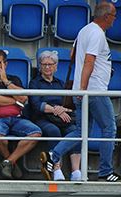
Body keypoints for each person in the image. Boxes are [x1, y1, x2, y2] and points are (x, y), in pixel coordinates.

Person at [41, 2, 120, 183]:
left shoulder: (84, 30)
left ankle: (52, 157)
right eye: (114, 16)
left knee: (80, 131)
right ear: (106, 16)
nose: (115, 20)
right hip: (93, 91)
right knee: (109, 128)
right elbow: (89, 61)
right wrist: (84, 90)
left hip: (83, 89)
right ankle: (105, 172)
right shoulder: (97, 34)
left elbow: (73, 56)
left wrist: (103, 71)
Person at [0, 49, 42, 180]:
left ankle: (8, 162)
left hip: (16, 119)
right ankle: (12, 163)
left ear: (5, 64)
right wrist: (14, 100)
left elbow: (23, 98)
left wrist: (6, 81)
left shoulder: (14, 79)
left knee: (36, 133)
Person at [28, 50, 82, 182]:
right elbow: (36, 104)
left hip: (61, 117)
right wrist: (54, 109)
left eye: (50, 64)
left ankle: (76, 171)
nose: (47, 67)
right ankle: (56, 169)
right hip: (43, 118)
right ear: (40, 66)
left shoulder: (60, 83)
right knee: (53, 131)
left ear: (56, 66)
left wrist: (61, 109)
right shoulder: (35, 83)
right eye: (44, 64)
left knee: (74, 131)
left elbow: (69, 104)